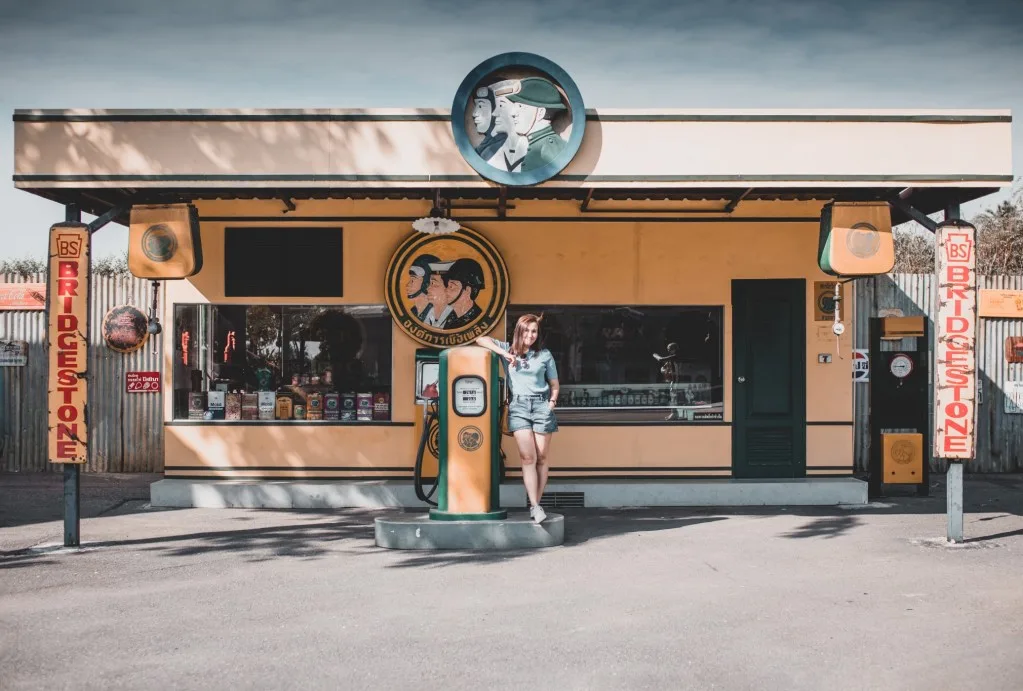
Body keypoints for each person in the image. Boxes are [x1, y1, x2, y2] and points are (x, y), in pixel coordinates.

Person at [476, 314, 559, 523]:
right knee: (527, 457)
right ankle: (535, 505)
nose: (530, 335)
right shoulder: (508, 350)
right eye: (527, 330)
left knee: (541, 458)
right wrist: (505, 354)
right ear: (519, 331)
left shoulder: (544, 355)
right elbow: (481, 339)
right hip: (519, 406)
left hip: (541, 405)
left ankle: (536, 505)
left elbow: (554, 384)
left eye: (534, 331)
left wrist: (551, 403)